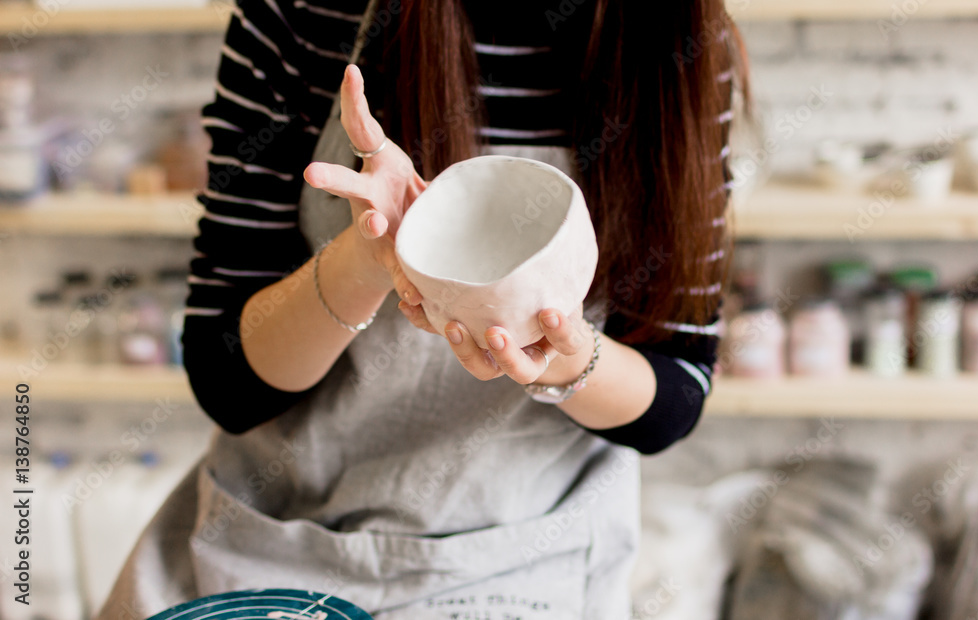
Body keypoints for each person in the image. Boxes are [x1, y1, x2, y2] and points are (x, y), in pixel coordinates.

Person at [98, 0, 746, 618]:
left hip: (526, 556)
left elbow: (673, 393)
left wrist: (566, 360)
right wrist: (367, 255)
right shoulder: (299, 14)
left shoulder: (676, 33)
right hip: (286, 543)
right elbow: (228, 380)